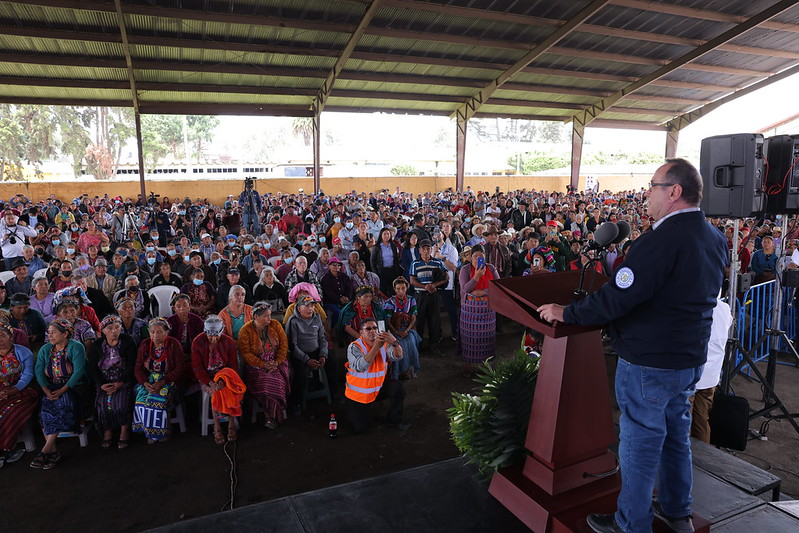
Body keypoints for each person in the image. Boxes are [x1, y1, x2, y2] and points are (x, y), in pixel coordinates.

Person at [538, 159, 728, 533]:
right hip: (689, 360)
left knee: (639, 445)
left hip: (649, 363)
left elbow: (618, 298)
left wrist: (568, 312)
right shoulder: (713, 237)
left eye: (653, 186)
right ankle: (677, 513)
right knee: (676, 436)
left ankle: (631, 523)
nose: (647, 194)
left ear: (674, 192)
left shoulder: (658, 242)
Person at [31, 319, 86, 469]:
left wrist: (63, 389)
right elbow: (38, 370)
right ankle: (53, 451)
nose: (50, 335)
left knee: (62, 404)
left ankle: (46, 450)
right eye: (49, 333)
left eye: (54, 332)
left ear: (65, 333)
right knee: (44, 410)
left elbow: (79, 371)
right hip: (51, 387)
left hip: (73, 387)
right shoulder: (45, 349)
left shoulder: (76, 347)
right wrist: (46, 390)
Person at [344, 317, 409, 434]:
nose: (372, 331)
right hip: (359, 395)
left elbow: (398, 356)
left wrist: (395, 342)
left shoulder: (383, 344)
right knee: (360, 429)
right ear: (361, 332)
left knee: (398, 387)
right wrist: (375, 347)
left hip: (377, 388)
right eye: (368, 329)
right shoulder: (354, 347)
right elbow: (360, 366)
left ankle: (394, 420)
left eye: (374, 328)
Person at [86, 315, 137, 449]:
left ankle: (124, 430)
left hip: (123, 378)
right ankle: (107, 431)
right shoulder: (97, 345)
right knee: (102, 404)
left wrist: (122, 382)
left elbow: (132, 365)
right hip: (104, 380)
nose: (114, 331)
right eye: (110, 328)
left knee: (121, 403)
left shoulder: (128, 341)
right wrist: (101, 384)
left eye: (117, 327)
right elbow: (92, 368)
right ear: (103, 331)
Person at [238, 302, 289, 429]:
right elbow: (246, 354)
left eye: (269, 315)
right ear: (255, 317)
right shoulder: (245, 330)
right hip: (256, 365)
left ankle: (271, 415)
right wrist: (263, 364)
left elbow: (284, 345)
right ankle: (270, 415)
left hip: (276, 361)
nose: (269, 319)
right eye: (265, 316)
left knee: (277, 378)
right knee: (267, 381)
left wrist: (277, 361)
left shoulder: (275, 325)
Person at [133, 318, 185, 444]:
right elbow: (138, 368)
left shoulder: (174, 344)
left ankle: (164, 429)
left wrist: (162, 382)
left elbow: (179, 369)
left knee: (158, 398)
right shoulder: (145, 345)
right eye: (152, 332)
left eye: (159, 332)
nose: (155, 335)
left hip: (169, 380)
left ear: (167, 332)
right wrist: (145, 383)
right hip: (149, 380)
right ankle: (148, 430)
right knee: (141, 397)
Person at [191, 314, 240, 444]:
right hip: (207, 377)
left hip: (225, 375)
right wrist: (210, 382)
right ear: (205, 332)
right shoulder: (198, 342)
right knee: (216, 392)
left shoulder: (228, 342)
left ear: (222, 331)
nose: (213, 338)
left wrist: (224, 381)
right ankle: (217, 426)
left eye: (216, 335)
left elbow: (233, 366)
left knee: (230, 390)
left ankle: (231, 424)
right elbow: (197, 368)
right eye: (210, 335)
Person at [690, 298, 732, 444]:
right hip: (711, 376)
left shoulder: (693, 305)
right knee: (702, 419)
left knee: (682, 421)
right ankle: (704, 456)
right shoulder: (724, 308)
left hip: (691, 375)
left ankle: (685, 460)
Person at [285, 295, 334, 414]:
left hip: (316, 350)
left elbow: (323, 339)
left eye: (312, 306)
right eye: (306, 306)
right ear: (299, 308)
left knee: (332, 363)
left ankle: (333, 394)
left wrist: (323, 355)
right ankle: (296, 403)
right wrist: (306, 360)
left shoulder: (317, 318)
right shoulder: (293, 321)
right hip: (300, 354)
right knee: (300, 373)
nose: (310, 309)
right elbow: (293, 346)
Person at [459, 245, 501, 376]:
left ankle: (484, 366)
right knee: (470, 338)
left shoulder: (491, 268)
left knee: (486, 338)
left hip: (487, 309)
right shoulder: (465, 269)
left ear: (485, 257)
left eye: (480, 256)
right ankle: (468, 367)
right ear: (470, 257)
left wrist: (484, 291)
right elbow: (465, 288)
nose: (478, 259)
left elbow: (498, 286)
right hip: (470, 310)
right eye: (475, 256)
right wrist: (476, 276)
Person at [0, 322, 38, 465]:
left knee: (9, 412)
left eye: (2, 336)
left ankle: (7, 448)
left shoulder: (23, 352)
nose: (0, 340)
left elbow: (27, 375)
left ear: (10, 337)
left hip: (22, 391)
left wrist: (15, 389)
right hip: (1, 391)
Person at [409, 239, 448, 351]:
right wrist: (424, 286)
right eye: (424, 249)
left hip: (434, 296)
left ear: (431, 250)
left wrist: (434, 285)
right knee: (419, 321)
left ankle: (434, 346)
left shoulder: (438, 262)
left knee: (434, 321)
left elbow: (446, 277)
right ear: (419, 250)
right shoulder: (415, 263)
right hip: (420, 296)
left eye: (428, 248)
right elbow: (412, 280)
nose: (426, 251)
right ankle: (419, 346)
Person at [383, 277, 421, 380]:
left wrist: (407, 330)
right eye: (398, 289)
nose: (401, 291)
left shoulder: (411, 299)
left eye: (403, 288)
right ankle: (401, 371)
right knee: (400, 344)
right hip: (394, 329)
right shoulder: (390, 302)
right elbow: (388, 320)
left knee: (411, 342)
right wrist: (396, 332)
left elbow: (413, 316)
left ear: (407, 288)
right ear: (395, 289)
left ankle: (409, 369)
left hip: (407, 328)